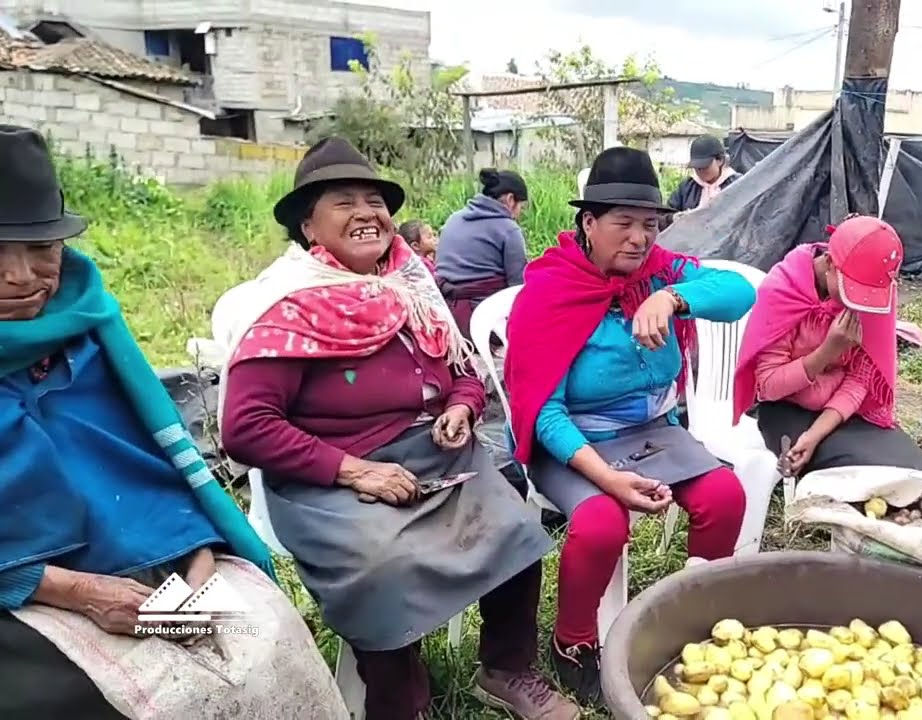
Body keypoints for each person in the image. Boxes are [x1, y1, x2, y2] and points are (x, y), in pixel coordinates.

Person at [218, 138, 576, 720]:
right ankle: (400, 701)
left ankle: (506, 668)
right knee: (380, 568)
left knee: (513, 524)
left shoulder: (409, 284)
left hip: (427, 455)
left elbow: (461, 371)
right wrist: (355, 471)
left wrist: (460, 406)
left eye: (374, 200)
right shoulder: (289, 305)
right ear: (309, 226)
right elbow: (246, 430)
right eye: (343, 202)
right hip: (325, 478)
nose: (366, 213)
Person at [0, 125, 344, 719]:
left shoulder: (84, 328)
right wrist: (78, 591)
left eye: (43, 250)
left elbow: (148, 472)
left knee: (261, 630)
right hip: (23, 587)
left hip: (137, 559)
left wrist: (192, 573)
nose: (23, 277)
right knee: (64, 696)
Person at [503, 147, 754, 703]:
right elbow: (543, 410)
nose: (640, 237)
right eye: (624, 223)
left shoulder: (661, 272)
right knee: (600, 523)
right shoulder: (549, 292)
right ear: (589, 223)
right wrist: (606, 478)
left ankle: (695, 621)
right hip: (573, 439)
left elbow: (740, 292)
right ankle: (572, 643)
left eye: (650, 224)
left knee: (725, 495)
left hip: (653, 432)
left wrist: (671, 297)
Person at [732, 216, 922, 478]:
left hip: (846, 412)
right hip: (786, 409)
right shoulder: (784, 290)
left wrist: (815, 435)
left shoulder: (872, 295)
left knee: (916, 471)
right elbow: (768, 386)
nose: (859, 304)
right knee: (866, 474)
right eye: (853, 290)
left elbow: (860, 380)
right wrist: (828, 351)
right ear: (829, 263)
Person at [435, 167, 530, 339]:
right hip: (486, 325)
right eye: (521, 208)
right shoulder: (508, 229)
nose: (519, 214)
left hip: (444, 318)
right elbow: (518, 286)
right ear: (510, 200)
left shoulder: (453, 219)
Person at [667, 135, 740, 215]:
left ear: (720, 160)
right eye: (697, 167)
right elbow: (666, 214)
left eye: (705, 166)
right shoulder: (687, 187)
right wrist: (675, 218)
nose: (700, 171)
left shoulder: (737, 184)